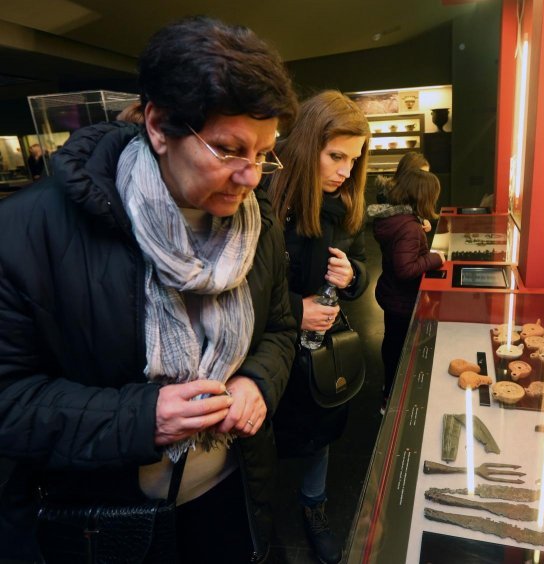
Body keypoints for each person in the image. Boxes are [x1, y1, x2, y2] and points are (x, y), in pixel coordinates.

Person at [0, 16, 298, 563]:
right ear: (159, 127)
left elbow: (280, 328)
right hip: (101, 521)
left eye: (264, 153)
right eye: (229, 150)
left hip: (234, 491)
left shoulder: (260, 225)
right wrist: (141, 418)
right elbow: (9, 400)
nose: (251, 177)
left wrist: (259, 381)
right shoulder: (26, 233)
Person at [266, 90, 370, 564]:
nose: (346, 170)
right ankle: (257, 517)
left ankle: (314, 508)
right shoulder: (262, 201)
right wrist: (294, 308)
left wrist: (353, 277)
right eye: (336, 156)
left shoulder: (345, 203)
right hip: (266, 348)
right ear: (309, 145)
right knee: (259, 437)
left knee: (318, 435)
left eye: (354, 158)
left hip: (322, 349)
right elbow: (234, 290)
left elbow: (362, 264)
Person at [368, 168, 444, 413]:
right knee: (399, 350)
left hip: (392, 294)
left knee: (392, 345)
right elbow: (406, 268)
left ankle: (387, 393)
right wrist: (435, 258)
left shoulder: (397, 219)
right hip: (402, 299)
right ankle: (391, 399)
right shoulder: (408, 227)